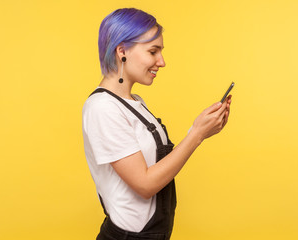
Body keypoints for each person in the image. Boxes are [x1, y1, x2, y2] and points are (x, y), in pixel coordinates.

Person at [82, 8, 232, 240]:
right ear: (122, 51)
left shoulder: (133, 103)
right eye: (153, 51)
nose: (161, 62)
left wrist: (202, 127)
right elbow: (144, 184)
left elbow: (156, 164)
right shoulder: (103, 107)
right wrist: (197, 136)